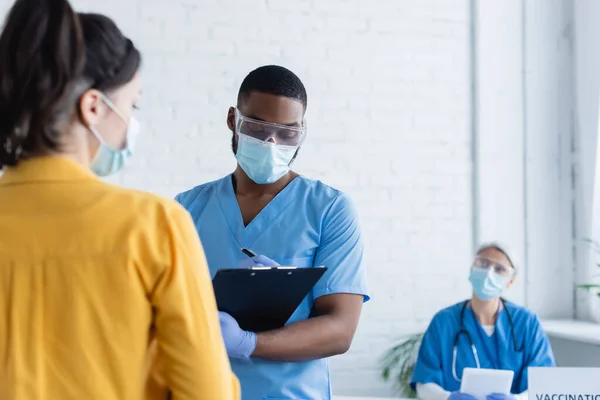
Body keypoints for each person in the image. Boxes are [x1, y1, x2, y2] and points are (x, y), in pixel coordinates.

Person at [0, 1, 239, 399]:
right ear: (93, 107)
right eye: (132, 104)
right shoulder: (153, 225)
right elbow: (206, 392)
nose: (131, 121)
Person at [175, 65, 370, 399]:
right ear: (232, 120)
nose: (271, 142)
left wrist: (249, 343)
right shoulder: (187, 209)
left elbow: (340, 331)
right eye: (257, 127)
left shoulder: (329, 209)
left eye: (288, 133)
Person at [411, 243, 556, 400]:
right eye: (483, 264)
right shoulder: (444, 322)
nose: (489, 273)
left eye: (500, 269)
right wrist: (448, 398)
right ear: (472, 268)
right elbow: (423, 385)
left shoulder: (527, 323)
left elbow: (544, 386)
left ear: (510, 281)